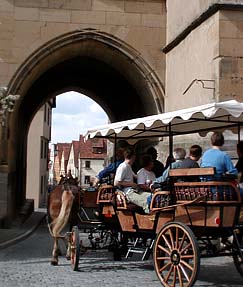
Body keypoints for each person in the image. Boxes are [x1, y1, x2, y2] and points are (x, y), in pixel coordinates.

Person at [114, 146, 150, 214]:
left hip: (135, 190)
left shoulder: (128, 166)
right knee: (145, 202)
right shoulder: (123, 167)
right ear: (133, 157)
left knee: (151, 196)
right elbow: (116, 182)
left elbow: (135, 176)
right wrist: (131, 184)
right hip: (128, 193)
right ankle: (150, 219)